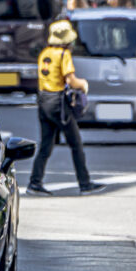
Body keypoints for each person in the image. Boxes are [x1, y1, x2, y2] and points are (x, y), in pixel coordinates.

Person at [27, 20, 104, 196]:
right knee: (76, 144)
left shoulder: (44, 53)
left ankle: (34, 182)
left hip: (43, 101)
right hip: (58, 103)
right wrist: (83, 84)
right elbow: (70, 80)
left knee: (46, 144)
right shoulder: (63, 55)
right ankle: (85, 183)